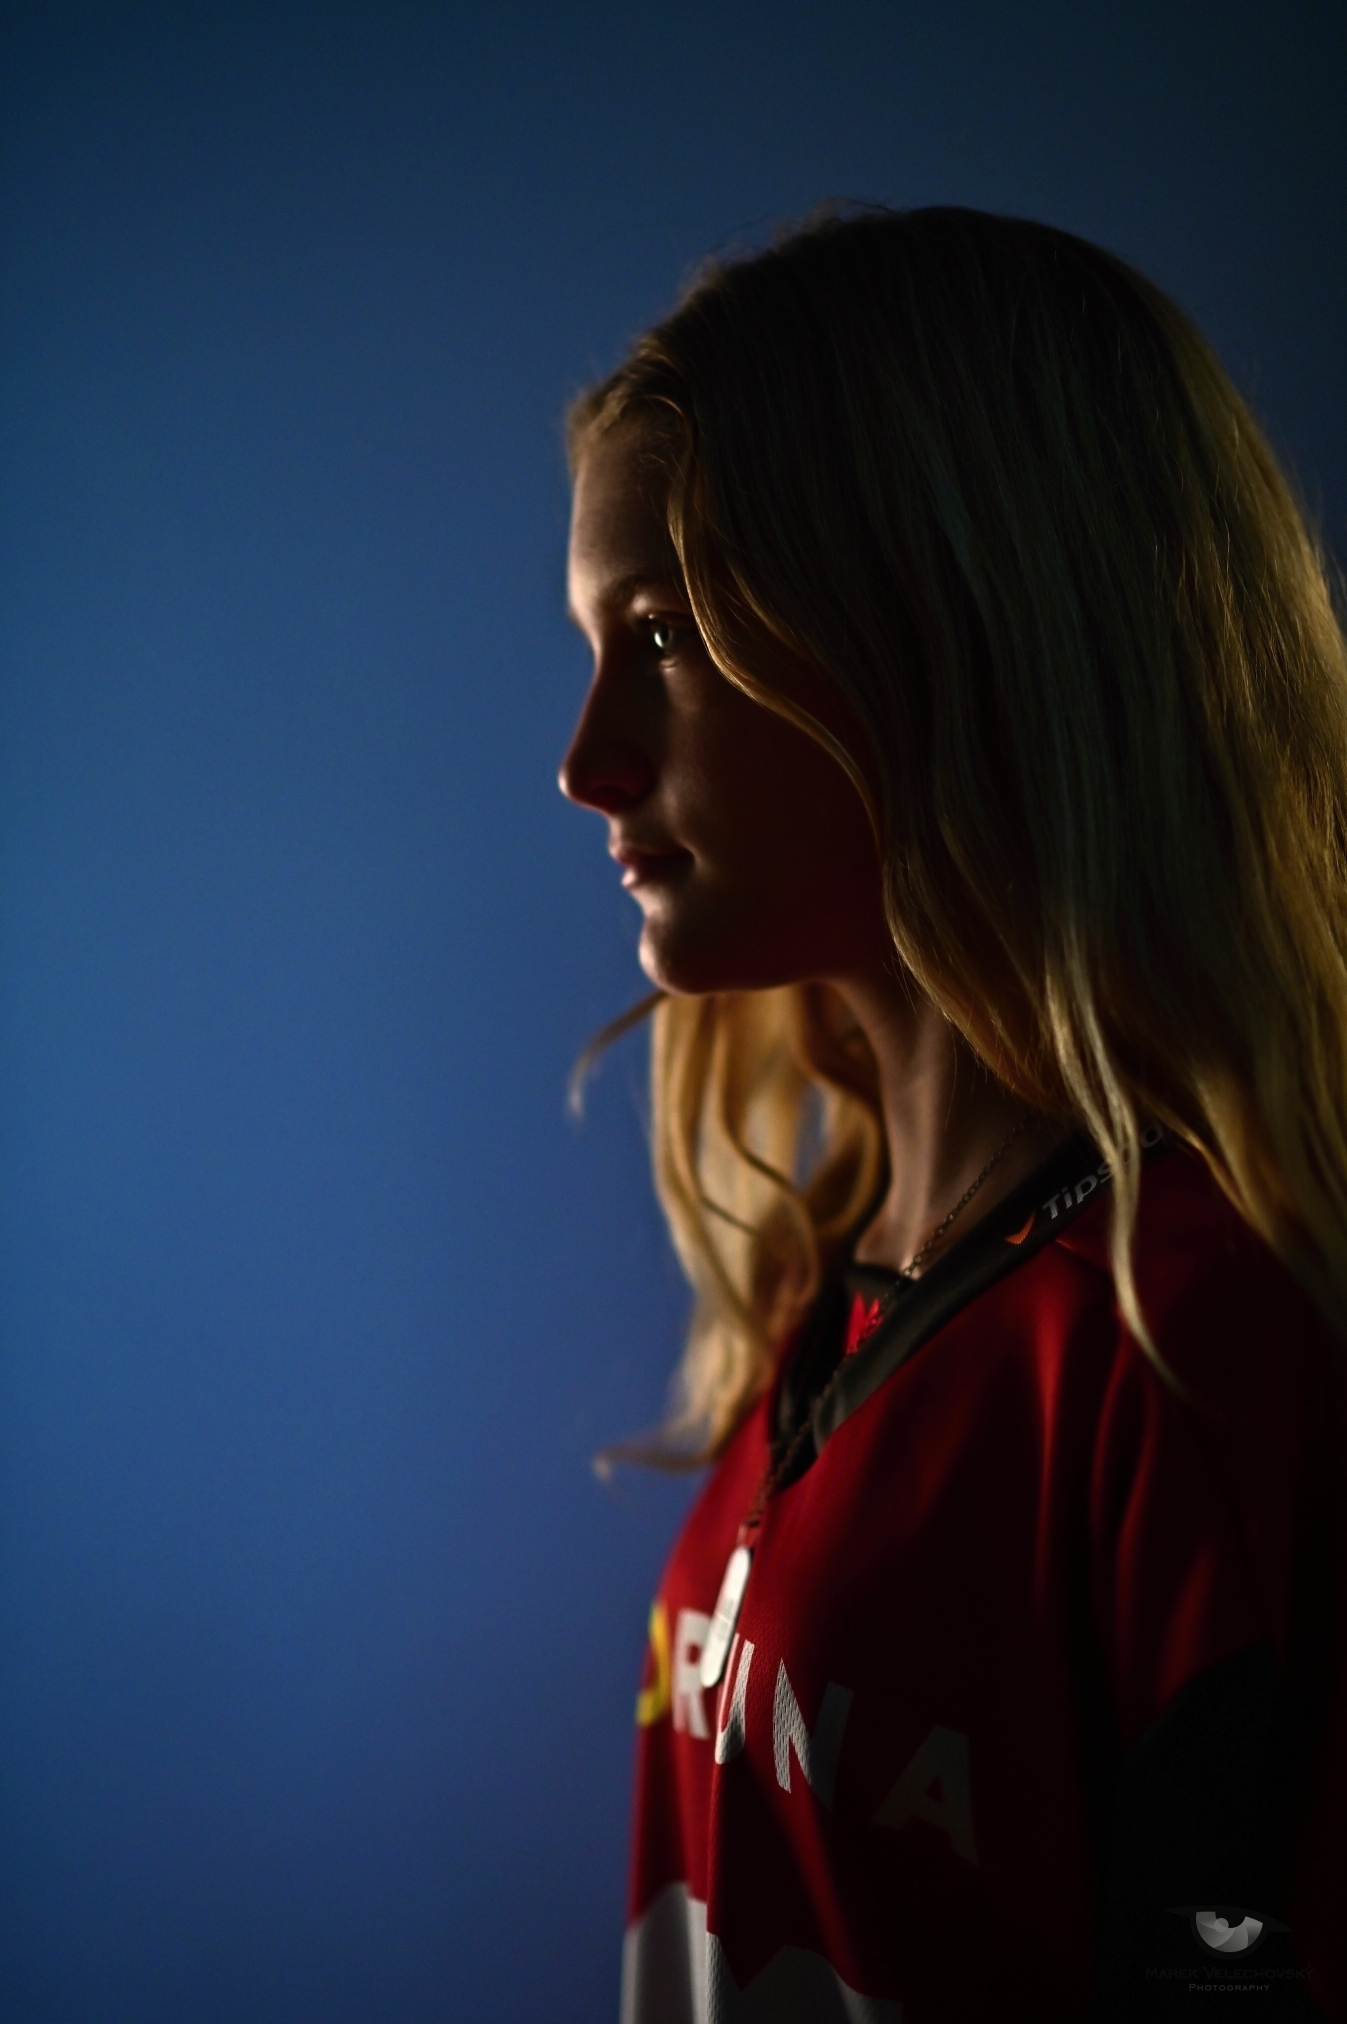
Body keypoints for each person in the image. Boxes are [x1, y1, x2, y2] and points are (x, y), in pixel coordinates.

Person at [558, 207, 1347, 2021]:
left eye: (666, 632)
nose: (588, 760)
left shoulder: (1199, 1354)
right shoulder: (825, 1294)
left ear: (955, 629)